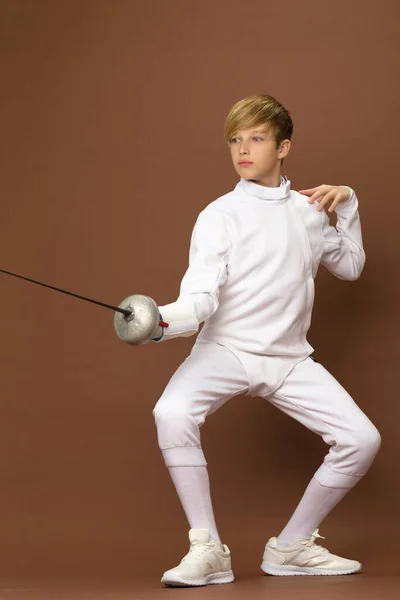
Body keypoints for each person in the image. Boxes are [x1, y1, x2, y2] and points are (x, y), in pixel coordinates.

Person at [149, 94, 381, 587]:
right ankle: (207, 547)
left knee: (361, 440)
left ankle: (293, 546)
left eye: (256, 138)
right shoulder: (220, 214)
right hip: (226, 350)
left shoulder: (309, 211)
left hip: (290, 359)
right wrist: (159, 322)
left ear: (284, 147)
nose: (243, 149)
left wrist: (350, 202)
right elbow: (200, 298)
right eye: (236, 139)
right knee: (171, 412)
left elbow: (352, 266)